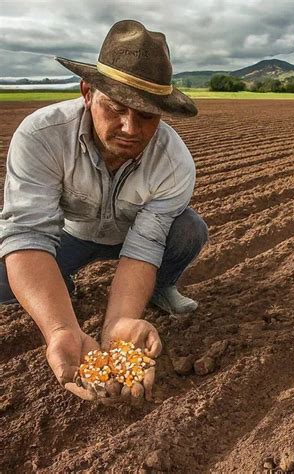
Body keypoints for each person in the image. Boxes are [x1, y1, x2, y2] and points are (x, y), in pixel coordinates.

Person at [0, 20, 208, 404]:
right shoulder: (41, 136)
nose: (130, 127)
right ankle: (63, 285)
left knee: (189, 229)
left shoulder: (174, 162)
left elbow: (144, 245)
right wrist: (61, 328)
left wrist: (117, 327)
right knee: (5, 272)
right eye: (116, 108)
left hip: (128, 238)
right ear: (87, 92)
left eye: (147, 116)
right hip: (69, 235)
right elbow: (28, 232)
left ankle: (161, 287)